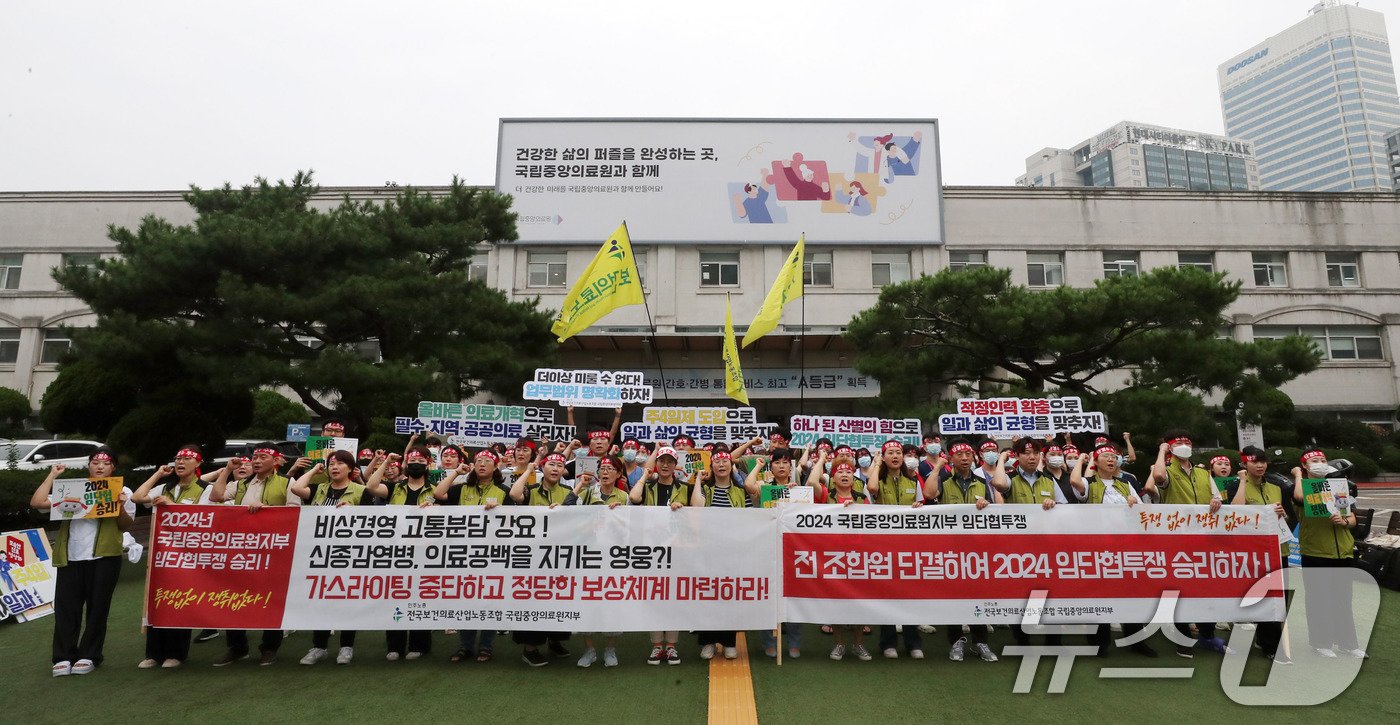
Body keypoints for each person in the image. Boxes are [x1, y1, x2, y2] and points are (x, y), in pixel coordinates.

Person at [30, 447, 135, 677]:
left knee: (98, 609)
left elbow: (126, 524)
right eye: (95, 462)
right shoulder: (73, 489)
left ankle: (89, 655)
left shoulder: (121, 490)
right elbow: (37, 502)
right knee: (67, 608)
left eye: (106, 463)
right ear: (88, 466)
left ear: (113, 468)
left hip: (104, 558)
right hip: (71, 557)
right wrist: (52, 475)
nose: (100, 466)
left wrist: (118, 506)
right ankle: (63, 656)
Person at [206, 443, 300, 666]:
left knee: (271, 600)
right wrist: (227, 470)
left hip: (273, 550)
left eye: (263, 457)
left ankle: (269, 647)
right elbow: (216, 496)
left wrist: (267, 511)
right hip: (242, 549)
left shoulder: (287, 482)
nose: (256, 460)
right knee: (233, 598)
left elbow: (295, 512)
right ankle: (237, 647)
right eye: (255, 457)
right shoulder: (241, 484)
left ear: (276, 461)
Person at [1069, 444, 1161, 658]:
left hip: (1125, 546)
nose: (1111, 460)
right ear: (1096, 462)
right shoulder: (1089, 483)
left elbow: (1141, 511)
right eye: (1106, 456)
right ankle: (1099, 644)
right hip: (1098, 547)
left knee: (1130, 594)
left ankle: (1136, 640)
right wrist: (1083, 459)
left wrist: (1133, 502)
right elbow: (1074, 481)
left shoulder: (1125, 484)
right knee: (1098, 595)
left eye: (1114, 457)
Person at [1151, 431, 1227, 658]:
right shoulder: (1169, 471)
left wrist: (1216, 500)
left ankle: (1207, 636)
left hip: (1205, 539)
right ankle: (1183, 639)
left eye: (1187, 442)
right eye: (1178, 443)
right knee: (1179, 591)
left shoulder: (1203, 473)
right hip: (1178, 541)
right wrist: (1162, 451)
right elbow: (1157, 479)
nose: (1184, 446)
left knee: (1207, 590)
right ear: (1169, 447)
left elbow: (1218, 498)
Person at [132, 445, 209, 668]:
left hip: (189, 555)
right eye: (177, 459)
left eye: (186, 459)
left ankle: (176, 653)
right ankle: (153, 653)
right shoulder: (166, 487)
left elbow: (205, 518)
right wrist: (158, 474)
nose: (180, 463)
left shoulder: (205, 489)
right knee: (158, 599)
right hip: (162, 555)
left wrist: (172, 505)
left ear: (198, 464)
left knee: (181, 601)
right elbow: (138, 497)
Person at [290, 449, 369, 665]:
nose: (334, 467)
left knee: (347, 601)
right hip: (320, 554)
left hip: (349, 554)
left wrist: (354, 511)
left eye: (340, 463)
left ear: (351, 469)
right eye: (331, 463)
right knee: (320, 600)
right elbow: (297, 488)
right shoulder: (320, 489)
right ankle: (319, 646)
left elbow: (372, 522)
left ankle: (346, 646)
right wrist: (315, 470)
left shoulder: (361, 491)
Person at [433, 449, 510, 663]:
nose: (482, 464)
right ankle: (465, 646)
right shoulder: (461, 488)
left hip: (492, 555)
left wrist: (500, 508)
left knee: (489, 600)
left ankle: (486, 646)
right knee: (466, 599)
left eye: (488, 461)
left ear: (496, 467)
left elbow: (513, 519)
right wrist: (456, 472)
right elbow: (439, 494)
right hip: (463, 554)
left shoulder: (503, 490)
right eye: (478, 461)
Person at [1292, 448, 1366, 659]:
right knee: (1318, 600)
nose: (1321, 463)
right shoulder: (1299, 487)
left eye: (1323, 460)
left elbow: (1351, 518)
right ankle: (1320, 642)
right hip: (1316, 552)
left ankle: (1347, 643)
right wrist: (1298, 475)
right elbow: (1298, 498)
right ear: (1305, 466)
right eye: (1314, 460)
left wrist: (1344, 521)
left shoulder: (1338, 487)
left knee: (1343, 600)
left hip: (1342, 552)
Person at [365, 447, 436, 662]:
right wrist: (386, 462)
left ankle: (419, 644)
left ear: (428, 464)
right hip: (396, 551)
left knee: (421, 598)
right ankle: (394, 645)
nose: (415, 463)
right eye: (411, 459)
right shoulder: (395, 488)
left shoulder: (435, 490)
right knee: (396, 596)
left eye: (420, 460)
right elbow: (371, 486)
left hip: (425, 552)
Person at [936, 440, 1001, 663]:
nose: (964, 458)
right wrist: (937, 467)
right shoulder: (943, 482)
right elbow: (928, 496)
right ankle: (956, 641)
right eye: (959, 455)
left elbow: (995, 511)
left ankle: (980, 641)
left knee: (978, 595)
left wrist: (986, 503)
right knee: (953, 596)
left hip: (977, 549)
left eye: (967, 454)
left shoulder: (983, 483)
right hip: (950, 548)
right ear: (950, 459)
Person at [508, 453, 575, 666]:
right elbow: (514, 494)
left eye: (560, 465)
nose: (555, 469)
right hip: (533, 557)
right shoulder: (532, 490)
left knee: (559, 599)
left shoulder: (569, 492)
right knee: (533, 600)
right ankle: (530, 648)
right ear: (543, 468)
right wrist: (529, 470)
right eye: (551, 465)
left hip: (560, 556)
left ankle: (555, 641)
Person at [1228, 446, 1293, 663]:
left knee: (1279, 598)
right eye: (1254, 462)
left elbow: (1289, 519)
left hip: (1278, 548)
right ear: (1244, 464)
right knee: (1263, 598)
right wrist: (1243, 482)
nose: (1260, 465)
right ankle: (1267, 643)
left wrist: (1282, 514)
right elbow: (1235, 513)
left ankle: (1267, 641)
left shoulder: (1276, 488)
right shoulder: (1236, 486)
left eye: (1263, 461)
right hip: (1254, 552)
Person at [629, 446, 693, 665]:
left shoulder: (684, 487)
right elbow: (634, 497)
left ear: (676, 466)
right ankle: (657, 646)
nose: (665, 465)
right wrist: (644, 477)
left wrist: (682, 506)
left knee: (674, 598)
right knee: (654, 598)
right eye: (661, 461)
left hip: (678, 550)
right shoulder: (648, 486)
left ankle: (672, 647)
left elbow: (699, 509)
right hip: (652, 550)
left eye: (669, 461)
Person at [868, 440, 926, 660]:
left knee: (910, 594)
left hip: (909, 544)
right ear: (883, 457)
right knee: (887, 593)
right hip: (883, 544)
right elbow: (872, 489)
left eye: (898, 453)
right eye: (890, 453)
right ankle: (888, 642)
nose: (895, 456)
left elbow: (921, 505)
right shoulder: (878, 480)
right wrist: (875, 465)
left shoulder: (912, 481)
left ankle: (913, 642)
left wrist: (918, 508)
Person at [691, 447, 748, 661]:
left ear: (731, 465)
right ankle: (707, 641)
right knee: (707, 595)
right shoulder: (706, 489)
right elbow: (696, 507)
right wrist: (698, 479)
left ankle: (728, 641)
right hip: (707, 551)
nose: (721, 465)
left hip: (733, 551)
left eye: (725, 462)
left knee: (730, 595)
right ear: (711, 466)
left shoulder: (740, 491)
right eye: (717, 462)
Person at [575, 455, 629, 668]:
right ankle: (589, 650)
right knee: (587, 601)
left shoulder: (624, 497)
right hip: (589, 556)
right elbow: (573, 522)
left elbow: (630, 528)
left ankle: (610, 648)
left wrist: (618, 518)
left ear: (618, 473)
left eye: (610, 468)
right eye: (602, 468)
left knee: (612, 602)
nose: (605, 472)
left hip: (614, 558)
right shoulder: (587, 494)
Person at [824, 458, 874, 661]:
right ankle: (839, 644)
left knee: (859, 600)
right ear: (833, 479)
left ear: (853, 479)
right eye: (840, 473)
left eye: (848, 473)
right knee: (835, 599)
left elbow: (873, 523)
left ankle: (859, 644)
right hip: (833, 554)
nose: (844, 476)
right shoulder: (827, 498)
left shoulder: (862, 498)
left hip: (858, 554)